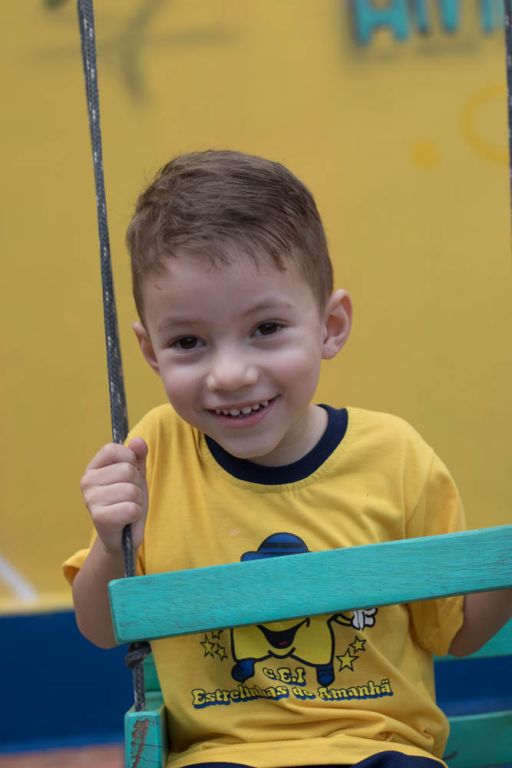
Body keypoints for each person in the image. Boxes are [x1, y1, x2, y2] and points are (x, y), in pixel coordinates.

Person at [64, 150, 511, 768]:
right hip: (222, 755)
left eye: (266, 328)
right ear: (149, 350)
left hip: (378, 749)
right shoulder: (154, 452)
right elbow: (101, 628)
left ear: (330, 324)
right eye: (189, 342)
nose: (230, 374)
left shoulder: (395, 457)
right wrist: (113, 544)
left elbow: (455, 631)